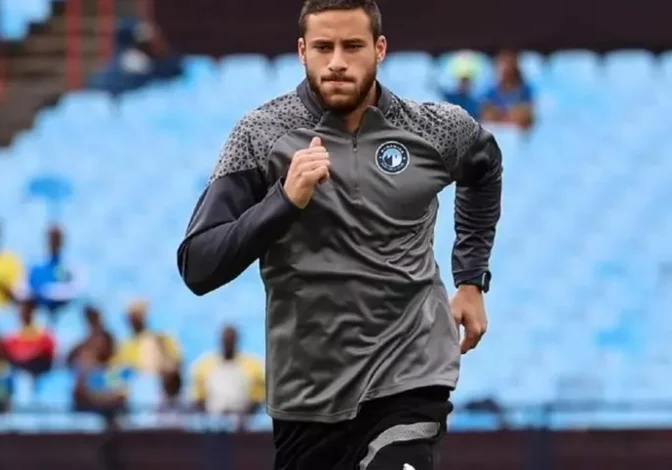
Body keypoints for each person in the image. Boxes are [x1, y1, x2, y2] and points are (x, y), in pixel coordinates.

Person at [176, 1, 502, 469]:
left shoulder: (434, 128)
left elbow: (484, 168)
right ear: (302, 51)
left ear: (379, 49)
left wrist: (470, 279)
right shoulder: (260, 135)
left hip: (410, 376)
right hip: (308, 398)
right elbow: (199, 265)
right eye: (323, 47)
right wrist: (283, 200)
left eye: (352, 46)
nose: (337, 62)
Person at [191, 325, 264, 417]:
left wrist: (246, 416)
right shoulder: (204, 366)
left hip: (242, 416)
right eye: (226, 341)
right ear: (221, 341)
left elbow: (258, 398)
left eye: (231, 341)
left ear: (236, 341)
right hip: (213, 416)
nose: (228, 344)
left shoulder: (253, 366)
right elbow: (199, 398)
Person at [21, 226, 83, 318]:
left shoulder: (72, 268)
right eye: (52, 239)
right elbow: (24, 292)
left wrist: (45, 291)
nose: (54, 242)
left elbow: (74, 291)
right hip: (40, 316)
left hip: (65, 315)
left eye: (57, 239)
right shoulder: (35, 268)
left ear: (62, 241)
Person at [112, 299, 181, 377]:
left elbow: (176, 363)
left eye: (138, 315)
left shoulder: (161, 339)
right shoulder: (123, 346)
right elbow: (116, 371)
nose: (135, 319)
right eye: (133, 316)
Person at [480, 50, 534, 129]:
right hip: (497, 130)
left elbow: (528, 116)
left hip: (517, 132)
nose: (506, 68)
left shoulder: (525, 89)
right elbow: (486, 113)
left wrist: (513, 114)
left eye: (509, 64)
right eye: (503, 64)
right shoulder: (491, 91)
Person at [1, 299, 56, 377]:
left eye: (27, 310)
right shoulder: (12, 337)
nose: (24, 313)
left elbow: (47, 353)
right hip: (18, 373)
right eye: (21, 310)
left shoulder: (43, 334)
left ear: (33, 312)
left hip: (39, 373)